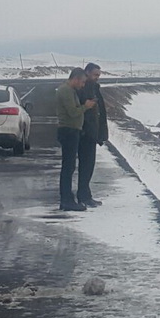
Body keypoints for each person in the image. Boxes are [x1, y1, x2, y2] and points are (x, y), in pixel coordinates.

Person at [56, 68, 96, 211]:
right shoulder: (66, 91)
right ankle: (66, 200)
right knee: (68, 167)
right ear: (76, 79)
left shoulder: (70, 90)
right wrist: (86, 107)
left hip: (72, 131)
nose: (83, 85)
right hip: (68, 131)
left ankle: (68, 199)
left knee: (70, 166)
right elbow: (73, 112)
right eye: (83, 82)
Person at [75, 62, 108, 207]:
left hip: (92, 132)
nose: (97, 78)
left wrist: (100, 133)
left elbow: (99, 112)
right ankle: (83, 196)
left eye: (99, 75)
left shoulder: (94, 87)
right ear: (87, 72)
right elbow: (84, 111)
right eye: (95, 74)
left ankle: (86, 194)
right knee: (86, 165)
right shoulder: (83, 88)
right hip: (85, 133)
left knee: (88, 165)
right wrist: (87, 130)